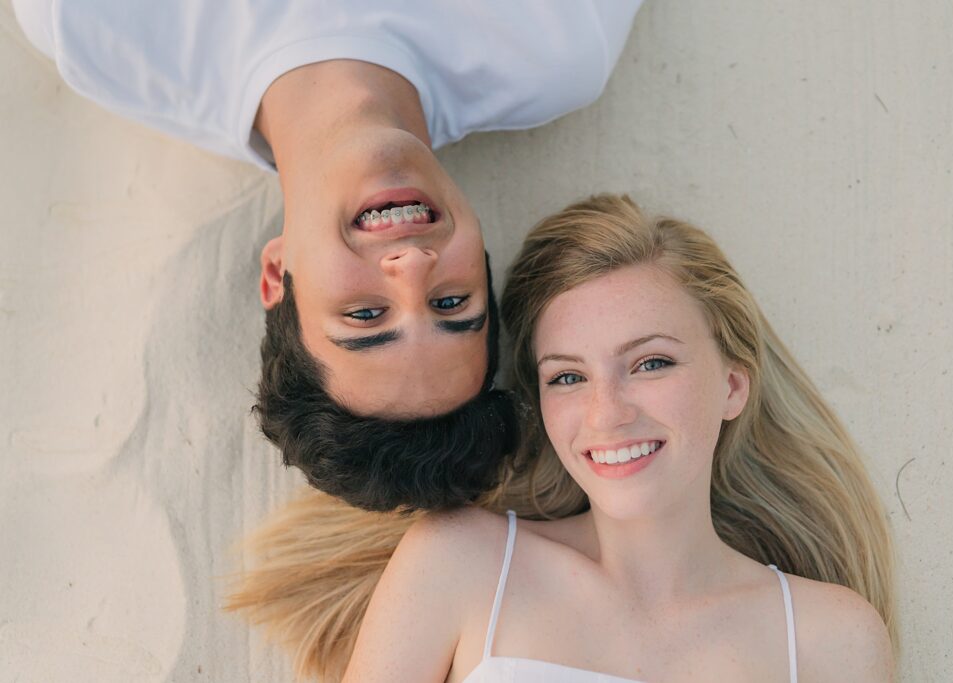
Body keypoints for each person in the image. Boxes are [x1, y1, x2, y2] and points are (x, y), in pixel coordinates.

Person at [228, 195, 897, 681]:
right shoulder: (462, 564)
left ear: (732, 385)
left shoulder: (828, 640)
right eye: (569, 376)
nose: (607, 413)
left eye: (651, 363)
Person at [12, 0, 644, 511]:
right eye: (453, 303)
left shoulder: (93, 25)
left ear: (275, 273)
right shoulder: (554, 43)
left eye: (365, 316)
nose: (412, 267)